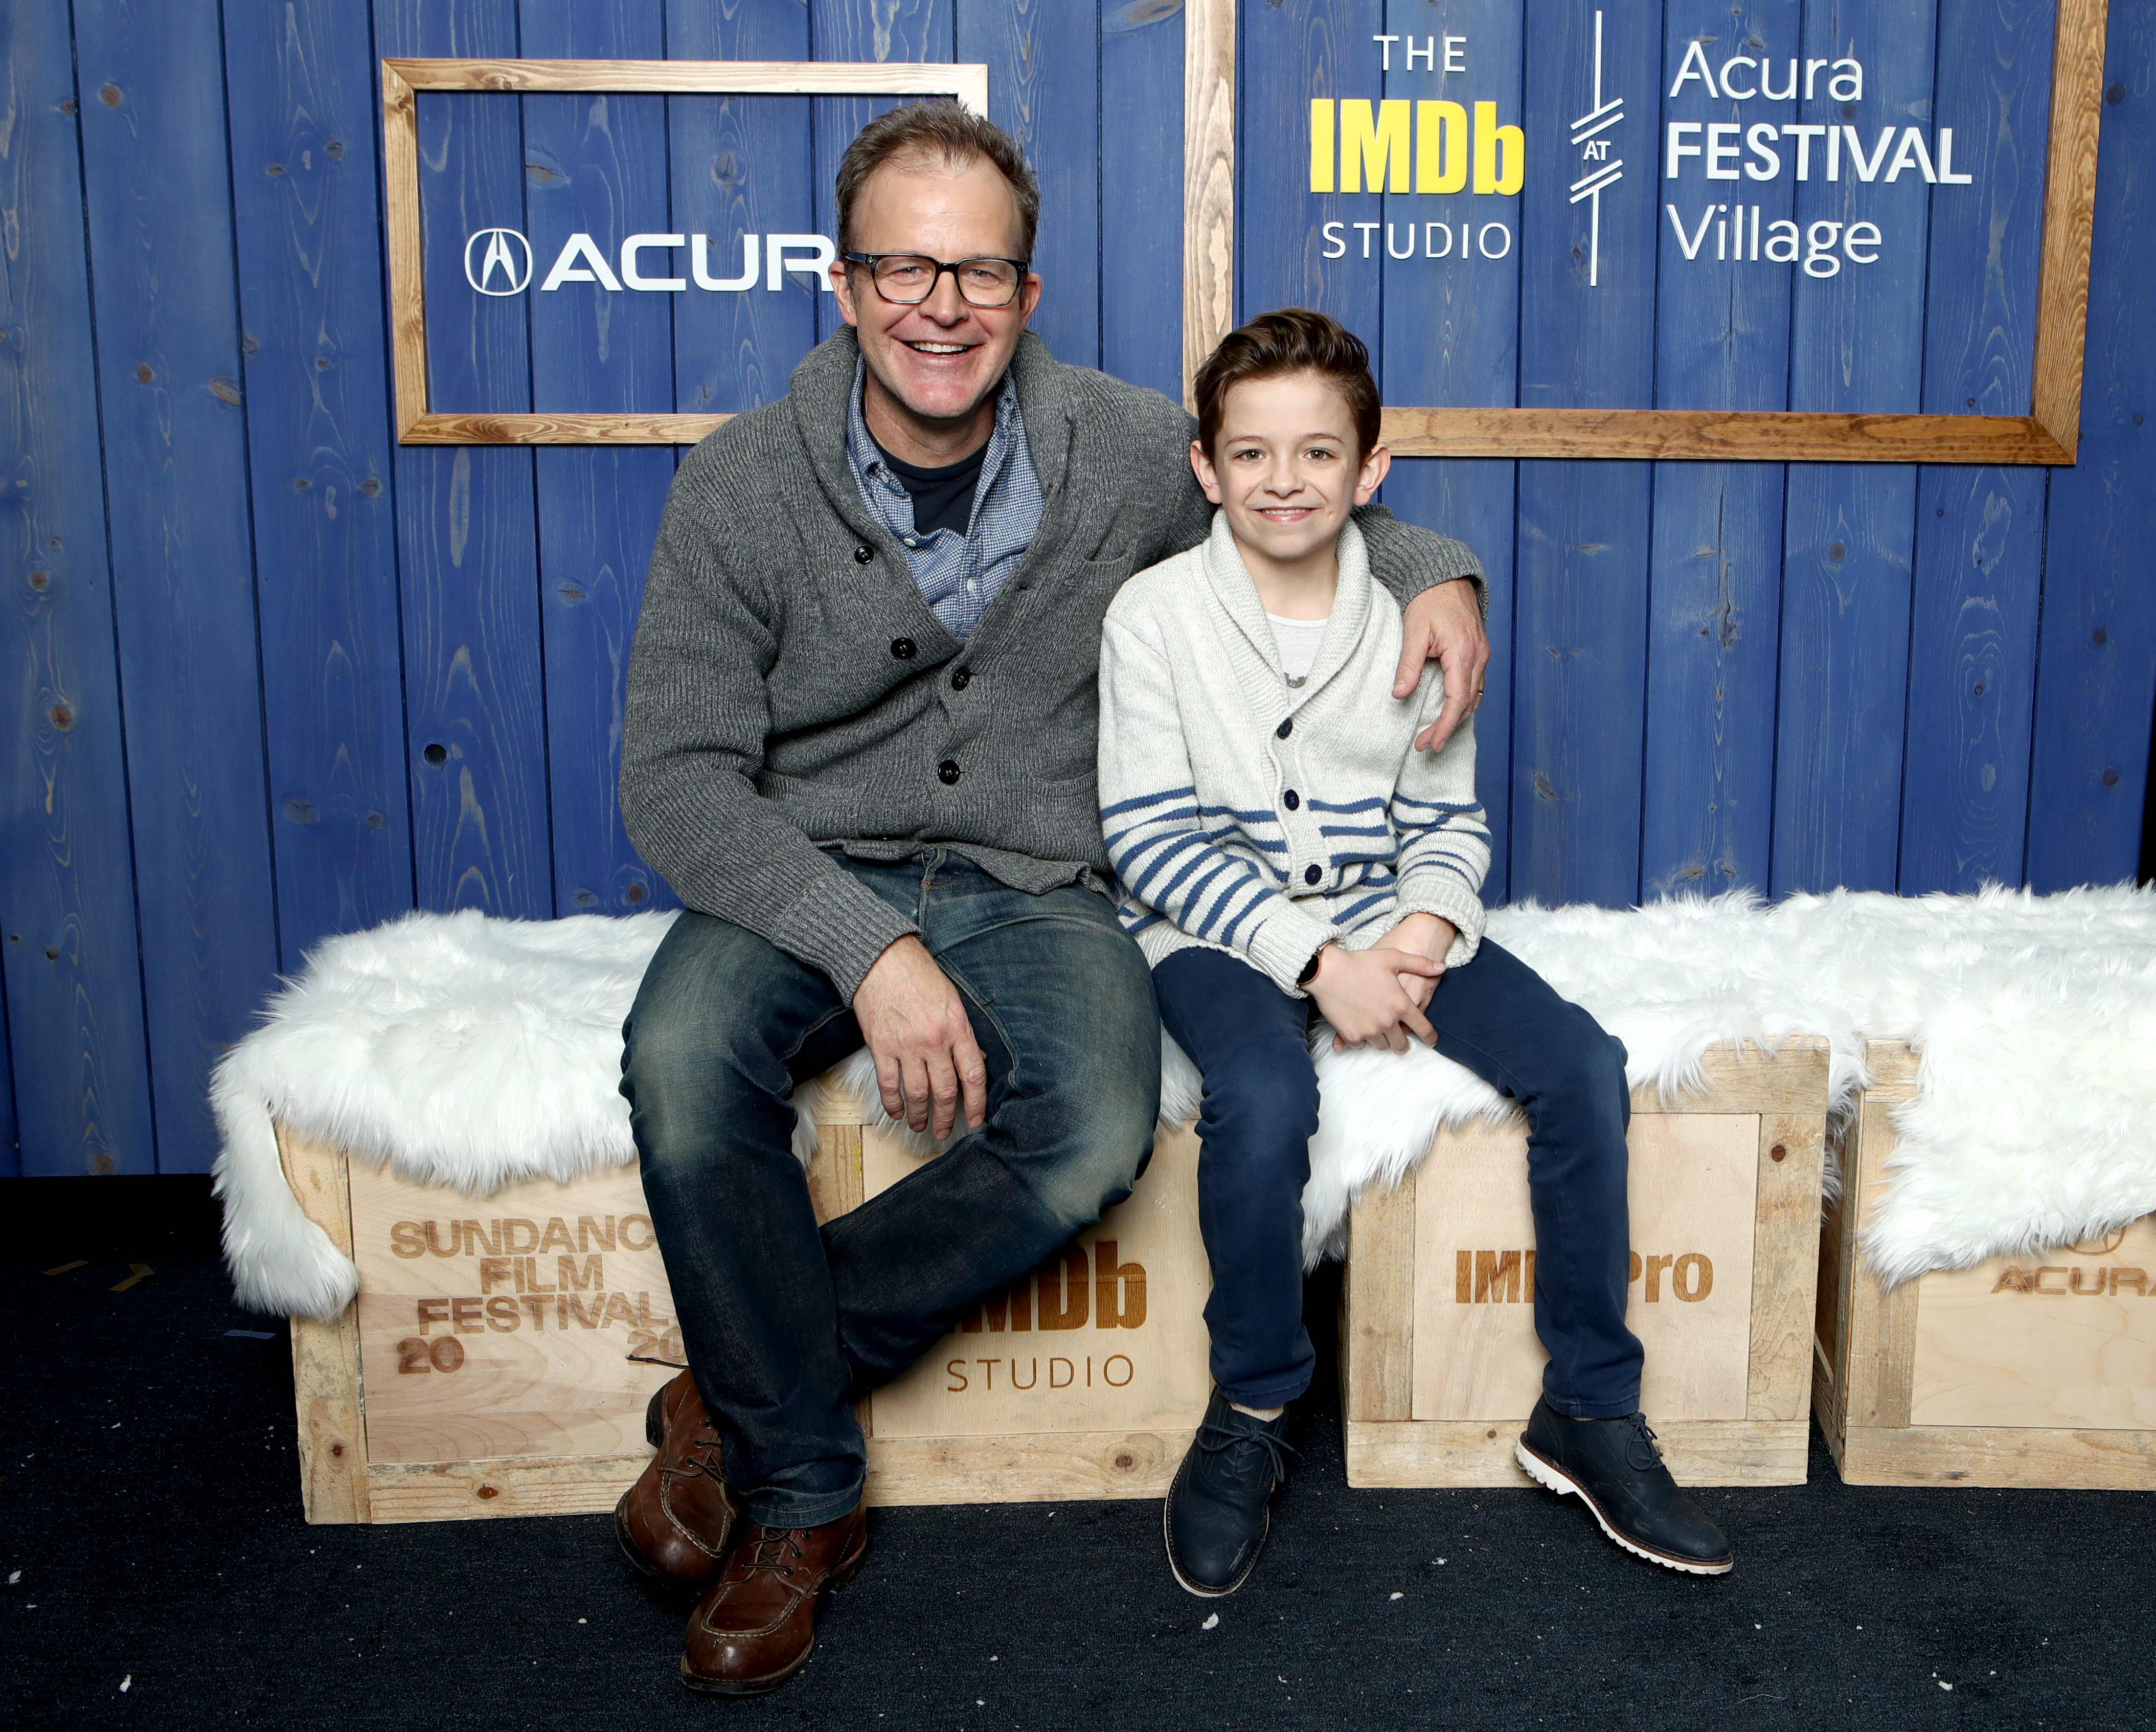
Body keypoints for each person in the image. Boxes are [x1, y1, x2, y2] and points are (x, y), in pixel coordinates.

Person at [611, 105, 1490, 1696]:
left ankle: (736, 1388)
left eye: (979, 272)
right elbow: (675, 780)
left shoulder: (1120, 443)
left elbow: (1297, 500)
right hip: (808, 870)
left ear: (1027, 292)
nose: (940, 305)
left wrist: (1437, 569)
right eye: (903, 267)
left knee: (1091, 1122)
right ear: (843, 281)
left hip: (1039, 876)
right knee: (679, 1062)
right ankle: (802, 1493)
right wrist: (868, 946)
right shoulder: (738, 483)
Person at [1095, 309, 1734, 1598]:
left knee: (1583, 1064)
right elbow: (1149, 838)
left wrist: (1423, 930)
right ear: (1207, 467)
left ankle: (1591, 1405)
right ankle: (1255, 1401)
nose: (1285, 481)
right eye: (1252, 453)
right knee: (1262, 1096)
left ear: (1370, 470)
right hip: (1217, 926)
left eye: (1318, 454)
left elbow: (1446, 820)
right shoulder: (1151, 615)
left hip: (1392, 913)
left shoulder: (1417, 613)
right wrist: (1319, 962)